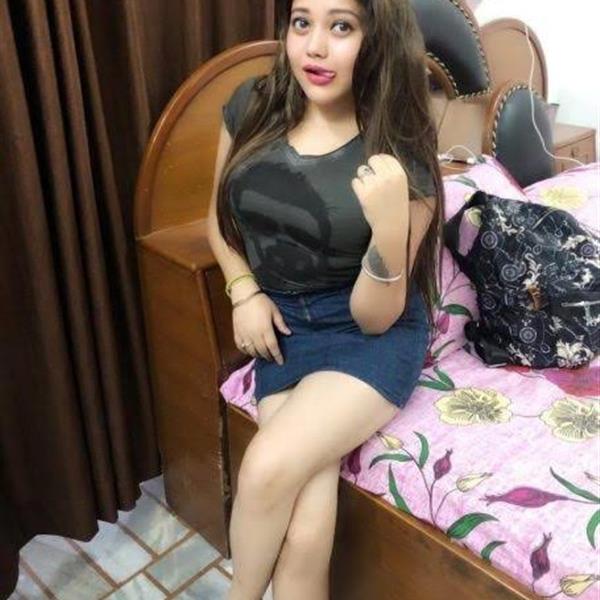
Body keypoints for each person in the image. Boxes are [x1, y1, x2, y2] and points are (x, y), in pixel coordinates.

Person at [207, 0, 445, 598]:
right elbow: (216, 218)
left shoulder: (401, 148)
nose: (314, 46)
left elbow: (376, 317)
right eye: (301, 22)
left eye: (341, 26)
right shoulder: (252, 104)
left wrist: (388, 230)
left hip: (369, 333)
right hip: (285, 327)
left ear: (376, 39)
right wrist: (243, 290)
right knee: (305, 529)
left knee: (266, 468)